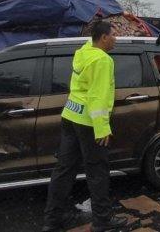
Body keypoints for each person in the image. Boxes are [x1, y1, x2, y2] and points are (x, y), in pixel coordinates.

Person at [43, 21, 127, 232]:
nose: (116, 38)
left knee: (64, 169)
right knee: (97, 172)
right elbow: (97, 96)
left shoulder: (84, 52)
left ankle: (52, 221)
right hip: (89, 123)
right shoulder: (102, 60)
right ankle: (102, 222)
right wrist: (102, 128)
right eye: (114, 35)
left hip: (70, 116)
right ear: (104, 38)